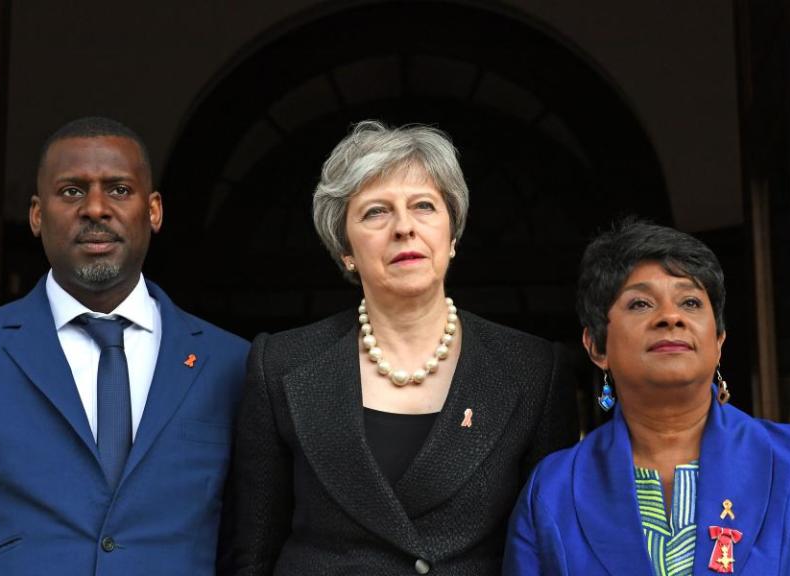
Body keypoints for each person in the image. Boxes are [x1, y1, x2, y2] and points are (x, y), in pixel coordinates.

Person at [229, 120, 579, 575]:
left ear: (451, 236)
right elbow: (253, 552)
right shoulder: (280, 364)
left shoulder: (532, 369)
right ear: (345, 250)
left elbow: (549, 548)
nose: (404, 228)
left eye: (424, 206)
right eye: (376, 211)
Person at [0, 117, 249, 575]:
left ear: (155, 211)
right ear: (35, 214)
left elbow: (249, 545)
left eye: (120, 190)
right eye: (71, 191)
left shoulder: (232, 365)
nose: (95, 209)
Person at [504, 220, 790, 575]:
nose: (671, 317)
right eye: (641, 304)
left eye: (690, 302)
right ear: (597, 346)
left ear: (719, 341)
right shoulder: (552, 490)